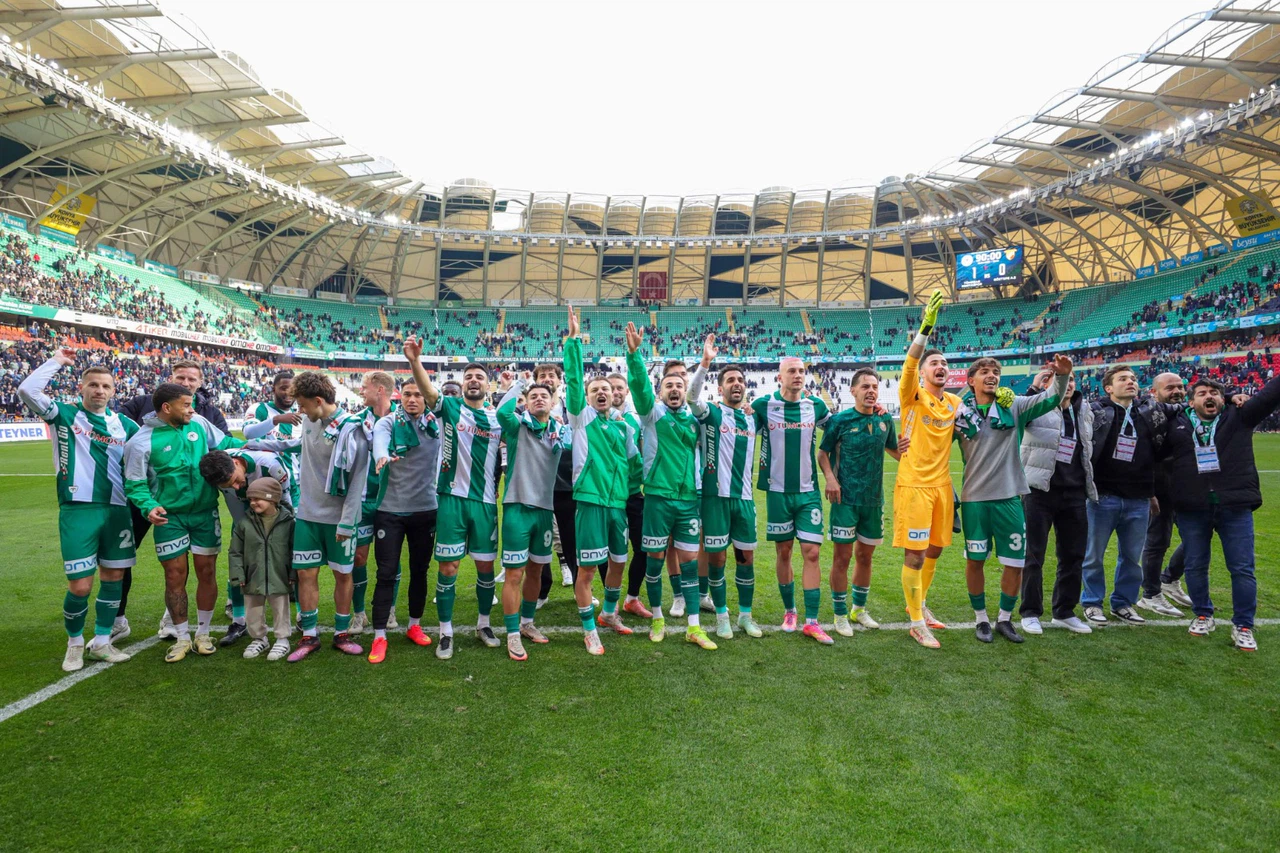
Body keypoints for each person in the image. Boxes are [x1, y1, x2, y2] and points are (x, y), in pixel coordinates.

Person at [18, 346, 139, 671]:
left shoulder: (125, 425)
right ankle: (74, 643)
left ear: (114, 391)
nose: (99, 390)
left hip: (117, 511)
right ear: (81, 388)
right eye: (93, 385)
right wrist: (57, 360)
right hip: (78, 511)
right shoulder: (63, 415)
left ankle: (101, 641)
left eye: (105, 386)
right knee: (81, 585)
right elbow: (27, 390)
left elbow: (148, 455)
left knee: (113, 576)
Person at [404, 338, 516, 660]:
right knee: (449, 568)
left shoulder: (498, 419)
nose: (473, 380)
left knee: (484, 566)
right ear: (463, 384)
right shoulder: (450, 408)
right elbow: (428, 392)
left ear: (487, 384)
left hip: (483, 503)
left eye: (479, 377)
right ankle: (446, 631)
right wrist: (415, 362)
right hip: (451, 500)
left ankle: (483, 624)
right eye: (469, 376)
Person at [123, 382, 244, 662]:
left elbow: (227, 444)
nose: (192, 409)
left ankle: (202, 633)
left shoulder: (199, 424)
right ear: (167, 408)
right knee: (174, 575)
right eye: (186, 405)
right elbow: (135, 484)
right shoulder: (141, 442)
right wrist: (149, 506)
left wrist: (262, 447)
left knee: (206, 572)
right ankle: (181, 637)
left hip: (204, 513)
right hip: (171, 518)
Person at [955, 355, 1071, 644]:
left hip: (1009, 497)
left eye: (995, 371)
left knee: (1015, 563)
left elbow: (1051, 397)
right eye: (984, 371)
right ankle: (981, 618)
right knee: (975, 561)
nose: (992, 375)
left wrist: (1063, 376)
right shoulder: (958, 413)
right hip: (974, 500)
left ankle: (1005, 619)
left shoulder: (1015, 406)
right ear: (971, 381)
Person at [1166, 375, 1280, 651]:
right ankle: (1203, 614)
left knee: (1242, 568)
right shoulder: (1176, 423)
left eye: (1215, 393)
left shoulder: (1240, 417)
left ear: (1222, 397)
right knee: (1195, 565)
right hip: (1192, 506)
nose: (1209, 396)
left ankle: (1243, 625)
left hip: (1234, 505)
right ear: (1190, 401)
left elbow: (1270, 395)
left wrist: (1231, 397)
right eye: (1202, 393)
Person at [627, 321, 717, 650]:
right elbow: (638, 388)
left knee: (690, 561)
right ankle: (657, 617)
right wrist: (635, 356)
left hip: (688, 500)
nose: (675, 389)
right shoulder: (652, 415)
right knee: (653, 558)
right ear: (661, 391)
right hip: (657, 499)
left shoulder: (695, 419)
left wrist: (704, 365)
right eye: (669, 385)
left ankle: (694, 626)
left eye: (679, 384)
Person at [272, 370, 367, 661]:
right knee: (305, 574)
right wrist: (257, 445)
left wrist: (347, 522)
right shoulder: (311, 422)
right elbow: (298, 447)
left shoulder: (353, 429)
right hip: (308, 516)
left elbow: (357, 481)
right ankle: (310, 636)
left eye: (302, 405)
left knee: (343, 575)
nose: (299, 411)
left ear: (317, 400)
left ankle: (341, 633)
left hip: (339, 520)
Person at [894, 290, 965, 649]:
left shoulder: (954, 403)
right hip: (915, 486)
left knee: (936, 550)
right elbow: (908, 365)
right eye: (933, 363)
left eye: (944, 363)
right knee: (916, 553)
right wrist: (925, 329)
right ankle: (916, 621)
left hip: (943, 487)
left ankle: (921, 602)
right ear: (923, 372)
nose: (941, 366)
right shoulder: (912, 396)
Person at [1082, 365, 1174, 625]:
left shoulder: (1148, 413)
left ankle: (1123, 603)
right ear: (1108, 387)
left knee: (1132, 558)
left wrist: (1152, 493)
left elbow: (1181, 409)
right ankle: (1091, 602)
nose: (1131, 382)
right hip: (1103, 497)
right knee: (1093, 555)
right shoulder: (1095, 412)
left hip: (1139, 499)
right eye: (1123, 379)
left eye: (1133, 379)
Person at [563, 308, 632, 655]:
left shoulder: (622, 427)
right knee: (588, 569)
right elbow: (575, 381)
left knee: (619, 561)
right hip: (590, 501)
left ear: (616, 395)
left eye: (607, 389)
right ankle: (590, 630)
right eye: (596, 390)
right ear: (588, 398)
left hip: (617, 503)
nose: (602, 392)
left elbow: (634, 463)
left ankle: (608, 613)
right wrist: (574, 341)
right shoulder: (581, 418)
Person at [817, 367, 905, 637]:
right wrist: (831, 479)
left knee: (865, 556)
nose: (871, 391)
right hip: (845, 499)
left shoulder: (885, 420)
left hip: (873, 500)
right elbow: (823, 454)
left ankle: (859, 609)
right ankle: (840, 614)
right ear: (852, 390)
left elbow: (893, 449)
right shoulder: (840, 420)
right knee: (841, 558)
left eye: (874, 387)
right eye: (865, 386)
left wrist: (907, 451)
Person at [752, 355, 832, 643]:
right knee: (784, 552)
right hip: (777, 492)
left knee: (812, 551)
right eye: (792, 371)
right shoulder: (763, 406)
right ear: (779, 377)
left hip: (808, 491)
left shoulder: (816, 406)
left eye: (801, 371)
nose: (798, 375)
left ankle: (812, 620)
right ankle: (790, 611)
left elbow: (835, 431)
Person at [688, 336, 761, 639]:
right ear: (720, 388)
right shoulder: (711, 414)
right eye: (730, 380)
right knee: (716, 558)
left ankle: (745, 615)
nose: (736, 384)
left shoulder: (753, 418)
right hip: (714, 498)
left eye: (740, 380)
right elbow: (692, 398)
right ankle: (721, 616)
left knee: (746, 558)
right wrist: (705, 363)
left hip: (744, 499)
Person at [495, 371, 571, 661]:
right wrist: (519, 385)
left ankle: (527, 624)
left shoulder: (559, 430)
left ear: (553, 403)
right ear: (525, 403)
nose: (539, 399)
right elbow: (503, 411)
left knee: (537, 570)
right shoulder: (517, 427)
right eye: (533, 397)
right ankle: (512, 634)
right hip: (517, 507)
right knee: (515, 573)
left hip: (545, 510)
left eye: (545, 396)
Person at [367, 378, 441, 664]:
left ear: (426, 399)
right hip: (390, 511)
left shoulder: (437, 426)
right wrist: (382, 457)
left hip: (425, 510)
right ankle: (379, 636)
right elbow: (380, 443)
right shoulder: (388, 423)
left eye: (418, 395)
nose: (412, 399)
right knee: (386, 573)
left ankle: (414, 624)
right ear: (400, 398)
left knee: (420, 570)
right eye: (407, 394)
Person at [1018, 368, 1096, 634]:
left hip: (1074, 492)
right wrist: (1034, 388)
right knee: (1033, 554)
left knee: (1073, 555)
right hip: (1039, 490)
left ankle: (1064, 611)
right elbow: (1018, 414)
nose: (1069, 384)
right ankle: (1030, 611)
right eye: (1064, 380)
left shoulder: (1084, 410)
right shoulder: (1037, 408)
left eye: (1072, 380)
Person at [198, 446, 293, 647]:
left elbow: (284, 504)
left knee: (287, 557)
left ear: (236, 462)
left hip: (279, 502)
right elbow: (239, 519)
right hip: (246, 510)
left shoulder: (270, 466)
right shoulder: (223, 473)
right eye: (228, 485)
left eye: (234, 480)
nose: (236, 487)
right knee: (244, 557)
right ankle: (239, 620)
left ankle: (301, 616)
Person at [1138, 372, 1190, 617]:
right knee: (1157, 541)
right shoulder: (1149, 415)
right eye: (1170, 387)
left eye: (1180, 386)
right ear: (1154, 392)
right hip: (1160, 488)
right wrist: (1149, 492)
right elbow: (1144, 457)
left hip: (1189, 487)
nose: (1177, 391)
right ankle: (1150, 594)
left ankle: (1170, 578)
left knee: (1198, 536)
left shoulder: (1188, 413)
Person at [227, 477, 294, 661]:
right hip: (251, 576)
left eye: (258, 498)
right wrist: (238, 574)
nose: (253, 502)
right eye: (251, 499)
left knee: (281, 607)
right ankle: (259, 638)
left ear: (272, 498)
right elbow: (235, 551)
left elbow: (293, 549)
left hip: (279, 574)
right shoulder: (244, 523)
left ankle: (282, 639)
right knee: (253, 609)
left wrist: (293, 573)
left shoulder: (289, 522)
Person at [350, 371, 396, 634]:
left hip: (393, 501)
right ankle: (359, 613)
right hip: (364, 501)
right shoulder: (357, 421)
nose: (360, 391)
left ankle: (389, 610)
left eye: (364, 387)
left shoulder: (403, 420)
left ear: (379, 390)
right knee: (359, 558)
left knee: (389, 560)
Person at [608, 372, 652, 620]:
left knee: (643, 547)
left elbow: (645, 451)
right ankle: (610, 600)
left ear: (627, 391)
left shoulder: (637, 421)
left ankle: (632, 598)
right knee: (608, 550)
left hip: (634, 493)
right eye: (611, 387)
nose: (615, 392)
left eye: (619, 388)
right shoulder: (594, 418)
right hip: (608, 495)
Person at [537, 360, 578, 592]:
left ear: (559, 380)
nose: (547, 379)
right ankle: (542, 591)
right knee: (538, 540)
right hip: (538, 484)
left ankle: (579, 591)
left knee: (571, 540)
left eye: (551, 375)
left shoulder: (570, 408)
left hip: (567, 483)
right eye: (542, 375)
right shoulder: (527, 409)